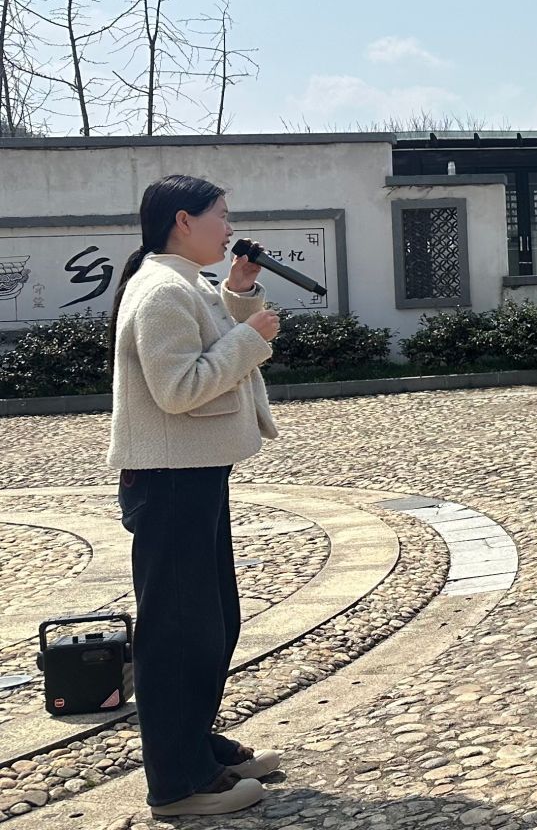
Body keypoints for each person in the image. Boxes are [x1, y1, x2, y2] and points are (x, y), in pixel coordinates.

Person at [108, 174, 283, 817]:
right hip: (171, 479)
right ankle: (177, 782)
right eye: (221, 215)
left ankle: (192, 745)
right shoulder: (161, 290)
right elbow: (179, 388)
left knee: (211, 622)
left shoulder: (184, 281)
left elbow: (208, 342)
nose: (230, 228)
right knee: (180, 632)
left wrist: (238, 294)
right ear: (184, 220)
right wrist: (251, 335)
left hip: (193, 473)